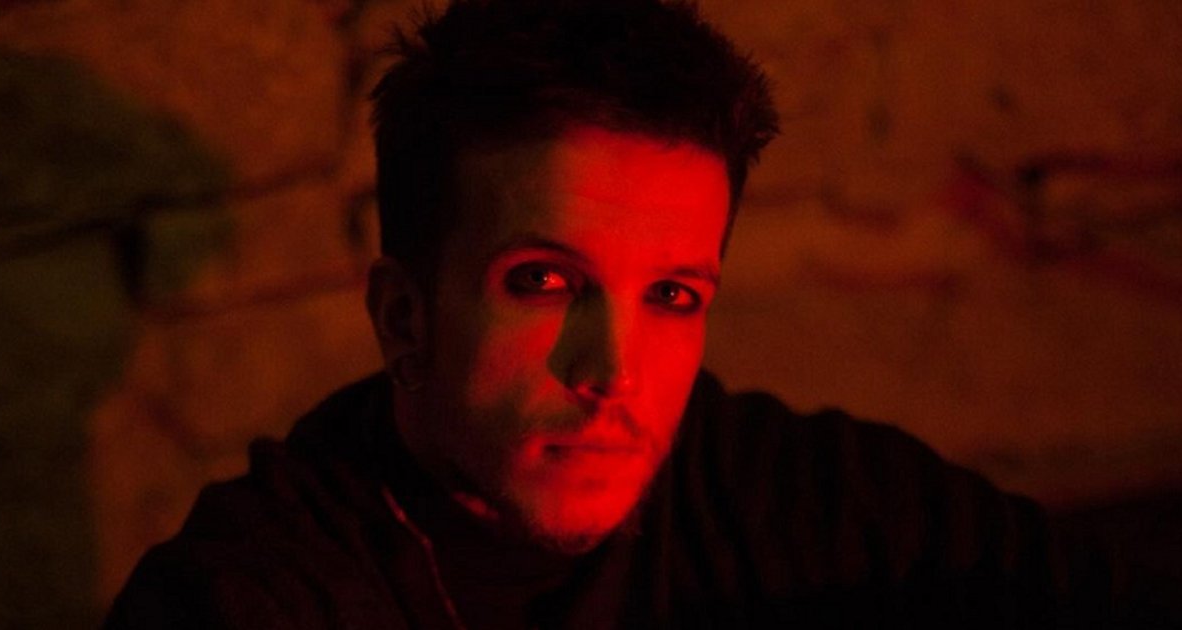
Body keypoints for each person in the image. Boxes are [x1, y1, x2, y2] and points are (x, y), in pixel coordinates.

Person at [105, 0, 1109, 627]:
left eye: (672, 295)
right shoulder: (251, 597)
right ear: (405, 320)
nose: (614, 370)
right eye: (545, 283)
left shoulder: (800, 496)